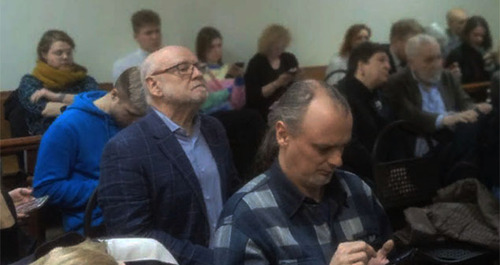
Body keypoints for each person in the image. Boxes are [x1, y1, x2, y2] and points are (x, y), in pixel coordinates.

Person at [213, 80, 393, 265]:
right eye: (323, 149)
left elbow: (387, 250)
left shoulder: (357, 191)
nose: (337, 160)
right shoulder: (246, 218)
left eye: (342, 147)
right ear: (283, 135)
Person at [98, 46, 239, 265]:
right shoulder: (125, 148)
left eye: (198, 66)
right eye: (183, 68)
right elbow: (135, 237)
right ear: (154, 86)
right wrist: (213, 260)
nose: (198, 73)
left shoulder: (214, 129)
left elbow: (232, 194)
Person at [33, 67, 148, 234]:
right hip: (94, 226)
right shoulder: (66, 126)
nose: (135, 123)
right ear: (114, 95)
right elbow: (45, 189)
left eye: (143, 117)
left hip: (139, 216)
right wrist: (109, 188)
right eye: (131, 113)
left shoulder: (134, 120)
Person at [384, 34, 492, 181]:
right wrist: (445, 119)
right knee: (474, 143)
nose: (436, 64)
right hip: (424, 140)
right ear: (412, 63)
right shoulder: (398, 82)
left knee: (489, 122)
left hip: (454, 135)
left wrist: (477, 108)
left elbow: (465, 102)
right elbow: (410, 116)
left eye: (438, 57)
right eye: (429, 60)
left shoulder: (446, 76)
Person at [196, 26, 265, 180]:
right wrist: (226, 92)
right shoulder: (198, 71)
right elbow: (205, 102)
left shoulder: (227, 69)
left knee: (246, 131)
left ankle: (252, 174)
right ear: (203, 49)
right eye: (212, 47)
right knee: (252, 117)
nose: (216, 50)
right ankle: (260, 166)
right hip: (209, 116)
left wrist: (240, 80)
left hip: (230, 114)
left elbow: (238, 103)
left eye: (219, 46)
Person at [15, 30, 99, 135]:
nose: (65, 57)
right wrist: (86, 108)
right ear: (44, 54)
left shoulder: (85, 80)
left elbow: (96, 102)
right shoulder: (30, 81)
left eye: (69, 52)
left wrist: (56, 96)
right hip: (46, 138)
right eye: (59, 53)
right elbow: (44, 109)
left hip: (87, 133)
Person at [336, 42, 392, 183]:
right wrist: (381, 171)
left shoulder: (379, 95)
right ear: (361, 66)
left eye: (388, 61)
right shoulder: (341, 96)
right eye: (381, 60)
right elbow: (349, 147)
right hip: (354, 176)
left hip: (381, 170)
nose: (388, 66)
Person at [244, 24, 299, 120]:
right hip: (264, 109)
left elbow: (295, 87)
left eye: (283, 47)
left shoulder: (289, 59)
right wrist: (277, 83)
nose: (280, 51)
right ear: (268, 45)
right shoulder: (257, 62)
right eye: (277, 48)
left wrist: (297, 77)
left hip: (287, 106)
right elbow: (254, 96)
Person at [112, 9, 162, 83]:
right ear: (136, 37)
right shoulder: (123, 66)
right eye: (148, 33)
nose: (155, 37)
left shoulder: (174, 60)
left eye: (157, 31)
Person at [446, 16, 498, 84]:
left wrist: (494, 64)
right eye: (475, 35)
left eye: (482, 36)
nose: (479, 39)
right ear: (467, 34)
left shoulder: (485, 53)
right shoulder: (457, 54)